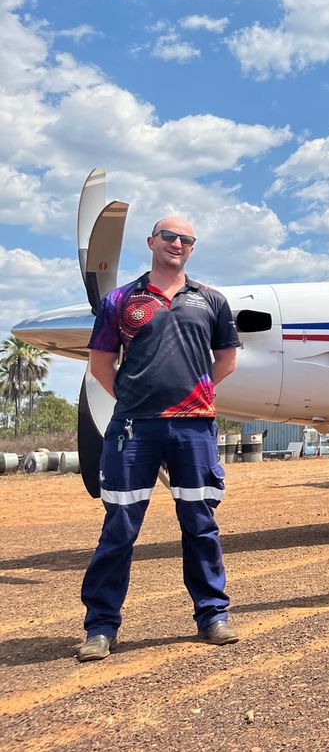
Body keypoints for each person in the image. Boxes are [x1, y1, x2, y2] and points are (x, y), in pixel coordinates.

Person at [78, 217, 241, 662]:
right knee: (120, 527)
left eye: (185, 238)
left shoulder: (211, 300)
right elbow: (101, 364)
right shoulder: (121, 300)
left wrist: (200, 390)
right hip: (135, 428)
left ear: (193, 248)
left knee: (200, 522)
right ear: (151, 242)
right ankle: (101, 626)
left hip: (194, 427)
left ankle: (212, 614)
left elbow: (226, 358)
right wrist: (133, 399)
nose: (176, 243)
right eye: (168, 236)